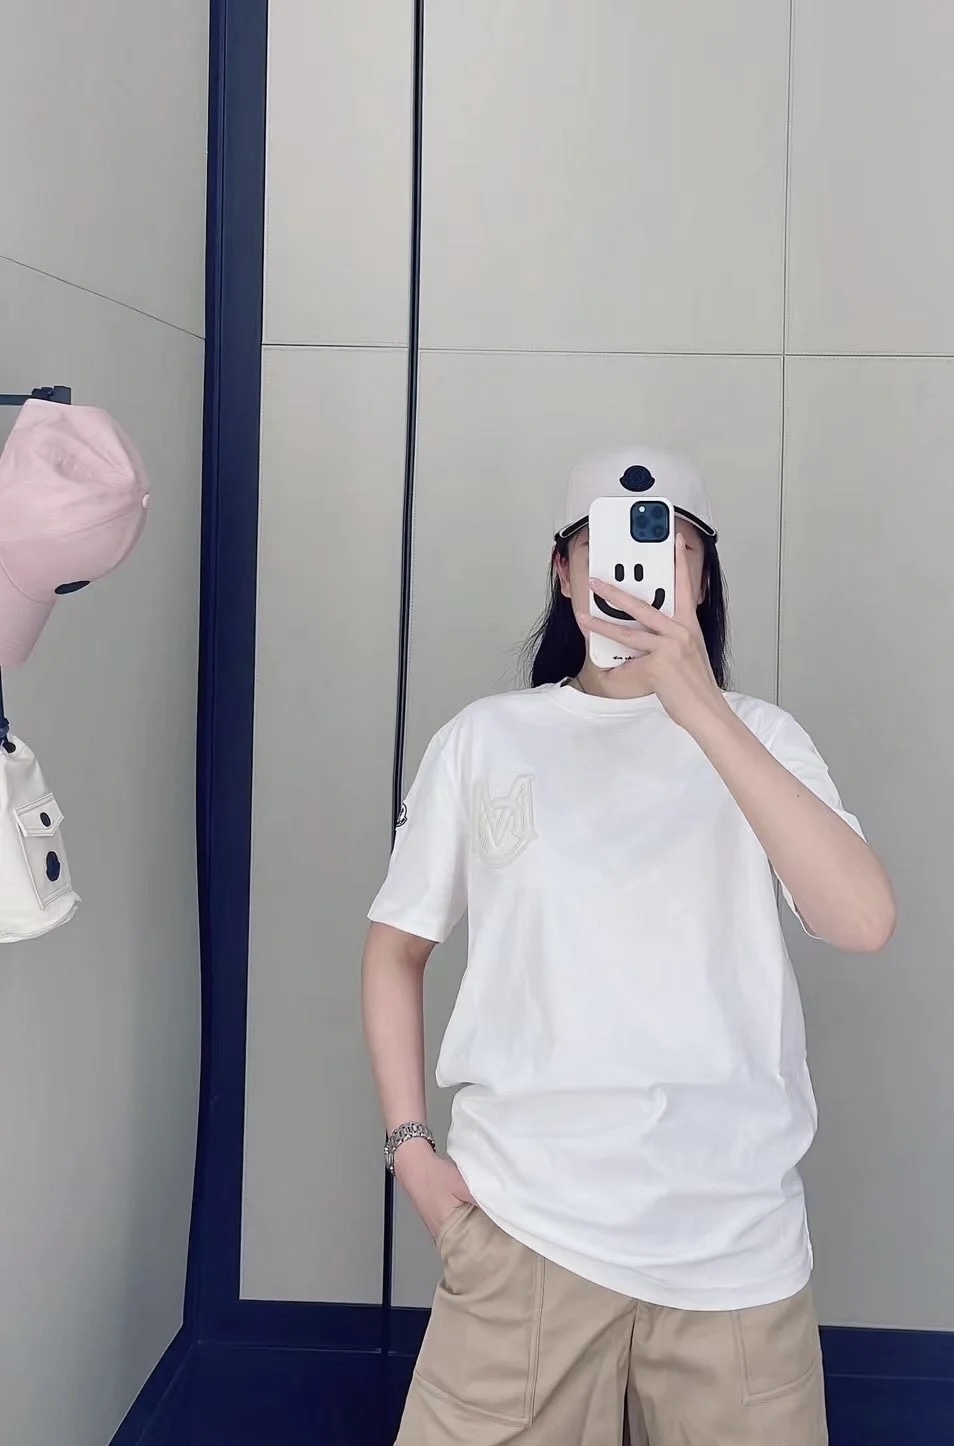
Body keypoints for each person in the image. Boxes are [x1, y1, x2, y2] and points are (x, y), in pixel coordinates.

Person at [362, 447, 896, 1446]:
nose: (638, 571)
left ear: (703, 578)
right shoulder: (486, 739)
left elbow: (861, 921)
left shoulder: (765, 738)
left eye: (672, 547)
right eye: (602, 545)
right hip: (523, 1233)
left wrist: (698, 708)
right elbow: (396, 948)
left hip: (736, 1253)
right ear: (565, 571)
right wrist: (410, 1152)